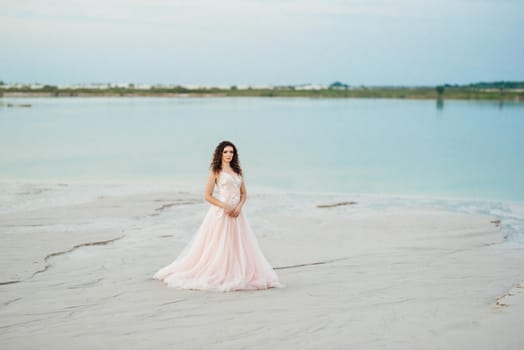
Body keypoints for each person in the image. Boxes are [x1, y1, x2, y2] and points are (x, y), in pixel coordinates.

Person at [153, 141, 282, 291]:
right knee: (219, 244)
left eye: (231, 152)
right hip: (221, 214)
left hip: (237, 214)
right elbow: (207, 196)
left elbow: (244, 194)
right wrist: (224, 205)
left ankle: (237, 271)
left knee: (238, 244)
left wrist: (239, 207)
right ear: (220, 153)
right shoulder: (216, 171)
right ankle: (219, 271)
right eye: (226, 152)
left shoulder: (238, 171)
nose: (229, 155)